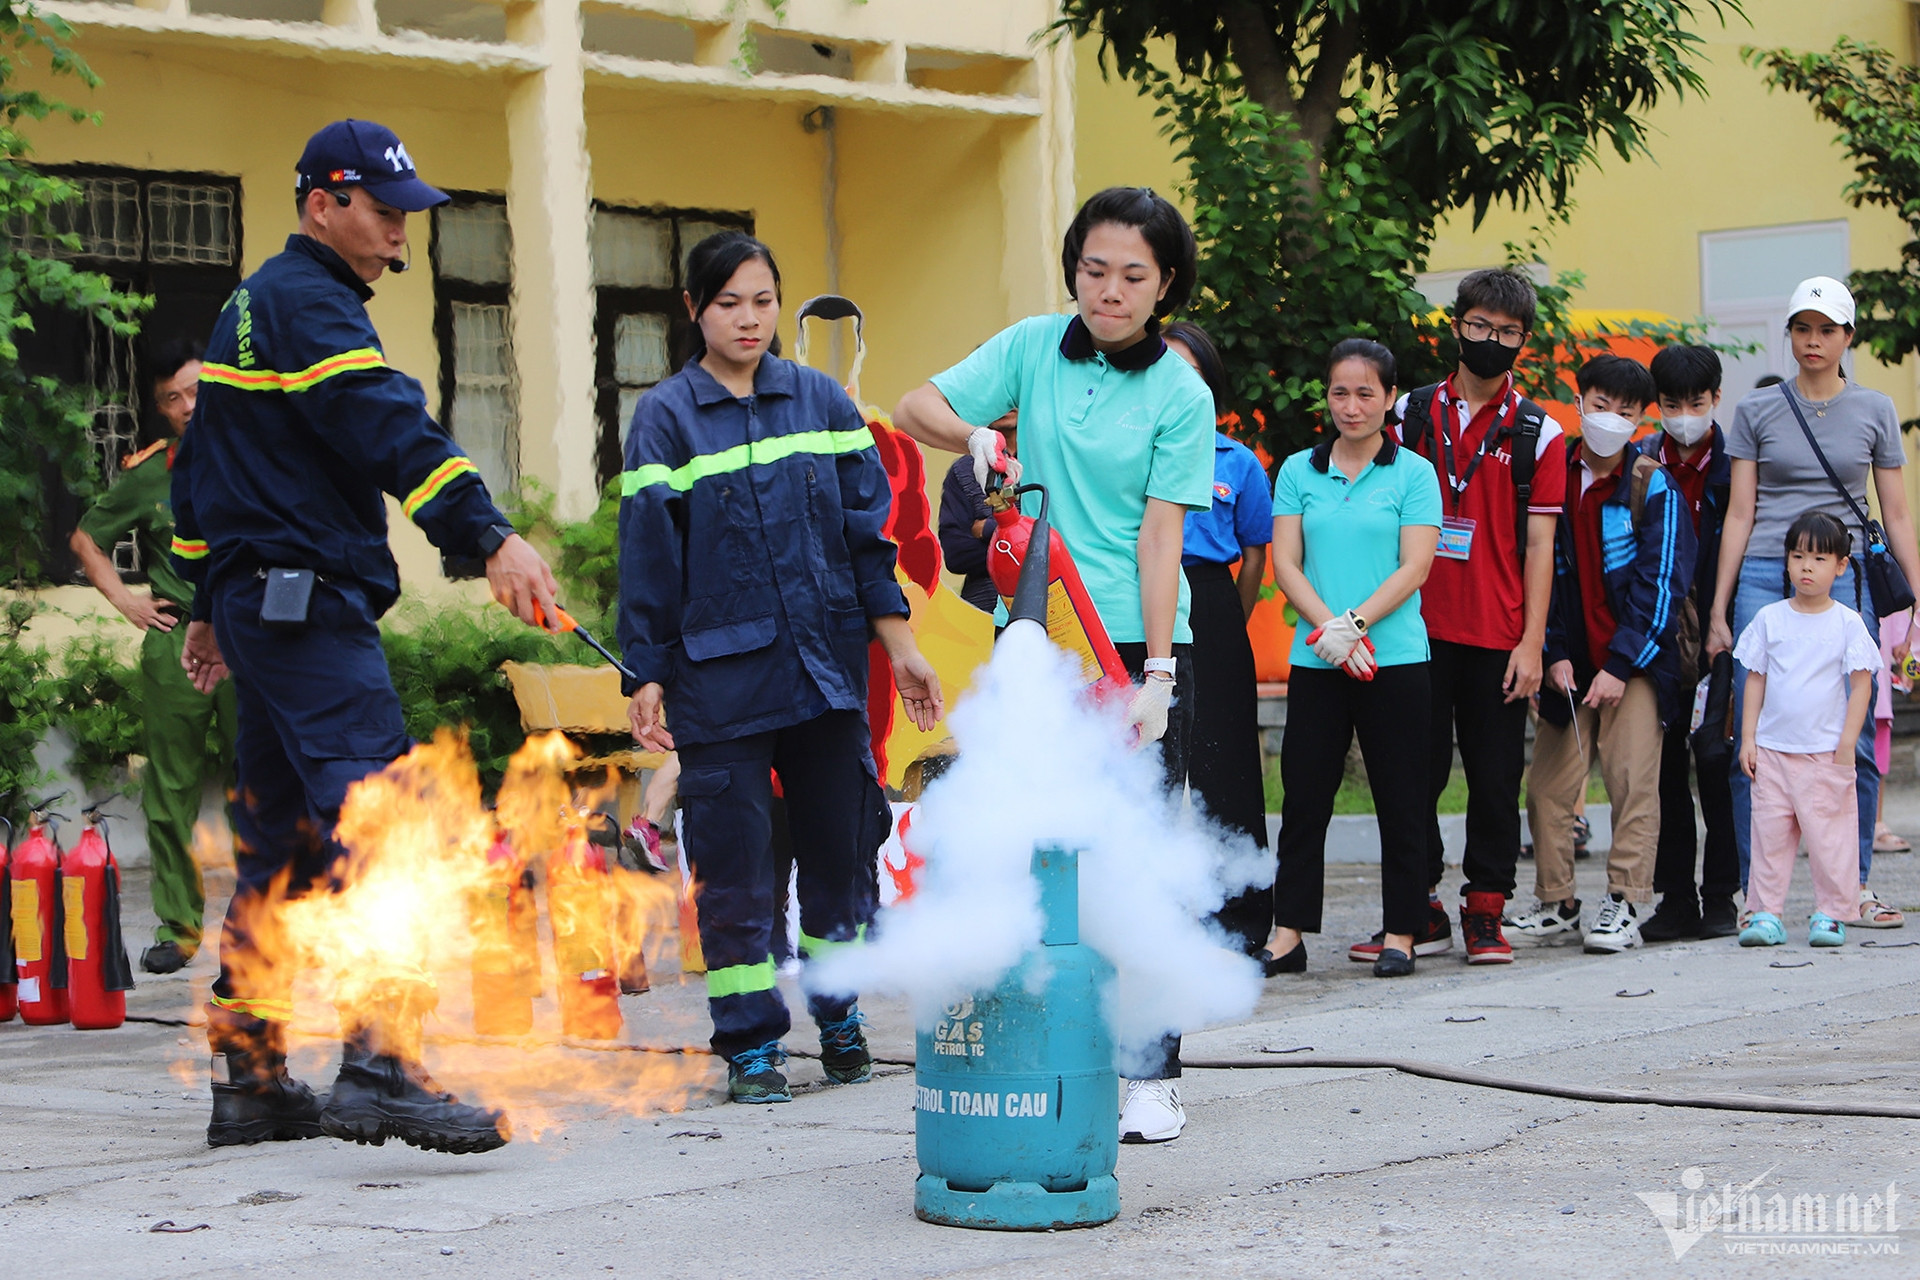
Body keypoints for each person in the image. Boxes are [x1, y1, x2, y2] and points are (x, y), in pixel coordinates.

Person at [172, 119, 558, 1153]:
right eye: (385, 214)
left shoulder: (248, 307)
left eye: (405, 217)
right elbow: (388, 422)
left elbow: (201, 467)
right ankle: (384, 1060)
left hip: (264, 612)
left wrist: (210, 601)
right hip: (308, 611)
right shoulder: (311, 306)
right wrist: (490, 537)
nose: (400, 236)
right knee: (385, 824)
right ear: (322, 204)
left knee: (281, 848)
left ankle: (251, 1076)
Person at [893, 186, 1214, 1144]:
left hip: (1128, 641)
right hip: (1034, 638)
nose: (1108, 291)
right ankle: (1051, 1043)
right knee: (1039, 847)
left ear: (1164, 289)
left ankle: (1153, 1073)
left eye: (1132, 277)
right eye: (1093, 269)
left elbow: (1163, 541)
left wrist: (1156, 672)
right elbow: (918, 405)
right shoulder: (1034, 345)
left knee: (1142, 848)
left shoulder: (1180, 393)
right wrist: (977, 436)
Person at [619, 230, 944, 1105]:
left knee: (842, 851)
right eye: (729, 303)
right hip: (718, 680)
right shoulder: (665, 419)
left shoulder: (824, 403)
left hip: (825, 670)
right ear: (695, 310)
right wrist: (645, 674)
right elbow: (647, 557)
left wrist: (901, 648)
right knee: (735, 867)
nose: (750, 318)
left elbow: (866, 539)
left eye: (763, 300)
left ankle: (840, 1018)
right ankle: (750, 1044)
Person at [1705, 276, 1918, 931]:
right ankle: (1755, 900)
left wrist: (1913, 608)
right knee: (1752, 738)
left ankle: (1850, 889)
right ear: (1791, 336)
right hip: (1768, 572)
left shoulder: (1876, 409)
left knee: (1847, 742)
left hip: (1846, 581)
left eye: (1827, 329)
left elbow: (1898, 515)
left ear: (1847, 337)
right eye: (1803, 328)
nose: (1813, 341)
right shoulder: (1758, 411)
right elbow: (1740, 513)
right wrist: (1721, 606)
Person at [1393, 269, 1568, 965]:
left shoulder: (1541, 433)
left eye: (1507, 332)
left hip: (1500, 638)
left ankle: (1487, 911)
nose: (1490, 341)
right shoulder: (1407, 414)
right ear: (1455, 324)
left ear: (1523, 340)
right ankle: (1422, 904)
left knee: (1495, 782)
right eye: (1479, 326)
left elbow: (1541, 545)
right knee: (1415, 773)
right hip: (1415, 629)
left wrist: (1532, 642)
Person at [1264, 340, 1441, 978]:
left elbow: (1415, 565)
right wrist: (1330, 634)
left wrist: (1356, 626)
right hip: (1317, 660)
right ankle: (1288, 933)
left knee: (1403, 796)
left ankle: (1401, 932)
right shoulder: (1297, 470)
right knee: (1306, 795)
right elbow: (1285, 561)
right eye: (1341, 391)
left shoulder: (1414, 473)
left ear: (1391, 398)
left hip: (1394, 659)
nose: (1352, 405)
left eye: (1367, 392)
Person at [1510, 355, 1695, 953]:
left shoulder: (1652, 484)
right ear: (1579, 398)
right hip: (1570, 663)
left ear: (1641, 417)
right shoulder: (1554, 470)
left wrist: (1620, 665)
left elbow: (1661, 583)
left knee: (1631, 780)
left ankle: (1624, 901)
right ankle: (1557, 900)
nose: (1610, 419)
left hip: (1635, 663)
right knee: (1547, 787)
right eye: (1600, 404)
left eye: (1626, 411)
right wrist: (1555, 651)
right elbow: (1545, 568)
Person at [69, 339, 236, 975]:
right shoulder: (152, 473)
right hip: (177, 641)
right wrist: (129, 603)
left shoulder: (257, 455)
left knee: (267, 780)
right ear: (162, 410)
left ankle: (274, 922)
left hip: (248, 636)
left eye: (197, 391)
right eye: (173, 398)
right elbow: (86, 538)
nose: (189, 406)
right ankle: (180, 926)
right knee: (170, 788)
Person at [1163, 319, 1273, 957]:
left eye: (1193, 373)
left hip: (1211, 602)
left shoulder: (1237, 462)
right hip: (1142, 596)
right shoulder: (1136, 449)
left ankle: (1240, 918)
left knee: (1225, 757)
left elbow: (1255, 556)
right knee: (1155, 755)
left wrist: (1227, 611)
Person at [1734, 512, 1879, 947]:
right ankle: (1764, 912)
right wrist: (1748, 738)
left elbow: (1861, 686)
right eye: (1797, 556)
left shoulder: (1847, 622)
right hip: (1774, 752)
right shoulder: (1769, 619)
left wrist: (1847, 743)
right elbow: (1754, 679)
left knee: (1831, 838)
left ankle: (1832, 913)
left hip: (1824, 753)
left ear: (1841, 565)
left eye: (1818, 558)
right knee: (1769, 836)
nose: (1806, 567)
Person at [1642, 344, 1740, 941]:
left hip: (1720, 632)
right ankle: (1674, 897)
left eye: (1695, 403)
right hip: (1658, 633)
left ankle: (1722, 896)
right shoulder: (1643, 464)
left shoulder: (1737, 465)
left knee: (1716, 759)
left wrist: (1721, 622)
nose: (1684, 415)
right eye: (1672, 404)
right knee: (1663, 770)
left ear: (1715, 400)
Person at [937, 411, 1016, 612]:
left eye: (1013, 395)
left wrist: (988, 529)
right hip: (985, 615)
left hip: (1055, 608)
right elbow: (957, 556)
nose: (1006, 406)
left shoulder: (1051, 463)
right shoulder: (963, 471)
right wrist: (1025, 543)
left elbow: (1062, 537)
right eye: (998, 397)